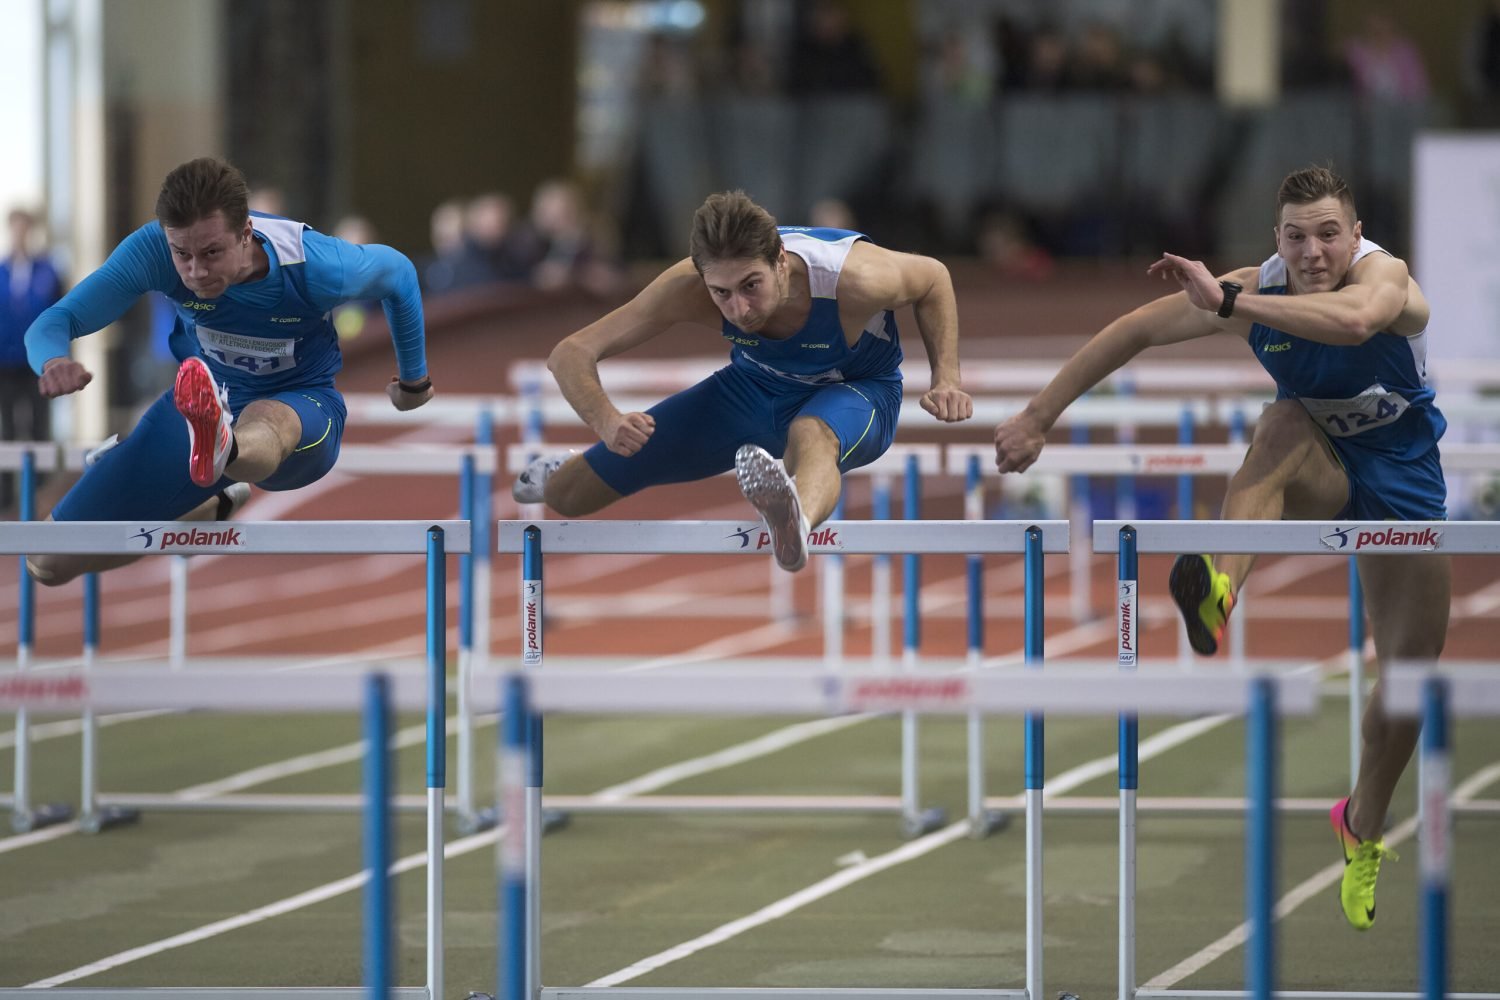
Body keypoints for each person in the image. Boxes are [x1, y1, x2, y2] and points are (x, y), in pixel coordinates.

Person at [993, 165, 1446, 933]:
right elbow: (1132, 330)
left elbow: (1357, 324)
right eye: (1296, 237)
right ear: (1277, 240)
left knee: (1405, 691)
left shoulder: (1386, 277)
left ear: (1356, 235)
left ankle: (1361, 824)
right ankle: (1220, 584)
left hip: (1405, 481)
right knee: (1281, 424)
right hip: (1321, 469)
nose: (1312, 251)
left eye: (1328, 234)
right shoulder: (1251, 285)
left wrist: (1230, 303)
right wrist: (1039, 416)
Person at [513, 189, 972, 572]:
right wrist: (607, 422)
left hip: (857, 391)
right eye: (722, 294)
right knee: (570, 499)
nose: (738, 309)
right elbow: (569, 354)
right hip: (751, 389)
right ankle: (566, 469)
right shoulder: (688, 288)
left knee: (813, 436)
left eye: (751, 286)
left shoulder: (855, 278)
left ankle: (795, 520)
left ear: (779, 262)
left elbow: (934, 278)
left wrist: (946, 377)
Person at [24, 156, 433, 584]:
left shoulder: (316, 265)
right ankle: (208, 502)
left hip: (302, 406)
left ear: (246, 234)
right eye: (183, 255)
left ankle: (225, 448)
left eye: (211, 253)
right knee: (47, 561)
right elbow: (56, 320)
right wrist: (52, 361)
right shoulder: (154, 250)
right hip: (196, 406)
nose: (196, 271)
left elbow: (399, 273)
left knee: (268, 424)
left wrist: (414, 379)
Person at [1, 208, 65, 510]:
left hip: (37, 365)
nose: (20, 234)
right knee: (7, 430)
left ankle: (40, 497)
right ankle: (5, 499)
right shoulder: (1, 271)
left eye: (25, 228)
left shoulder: (48, 271)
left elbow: (59, 315)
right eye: (15, 228)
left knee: (40, 428)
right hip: (5, 366)